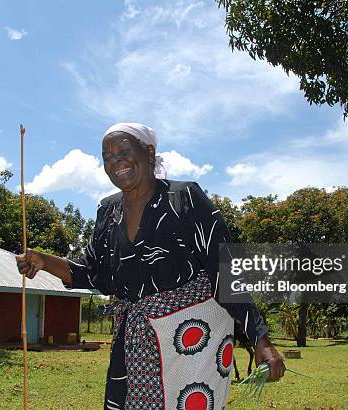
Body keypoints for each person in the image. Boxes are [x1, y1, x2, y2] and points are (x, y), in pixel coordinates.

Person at [16, 123, 285, 409]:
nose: (115, 162)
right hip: (134, 342)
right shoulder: (108, 211)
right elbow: (94, 273)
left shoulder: (185, 198)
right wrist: (45, 261)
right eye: (107, 157)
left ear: (149, 152)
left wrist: (261, 340)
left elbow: (226, 271)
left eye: (123, 151)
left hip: (192, 341)